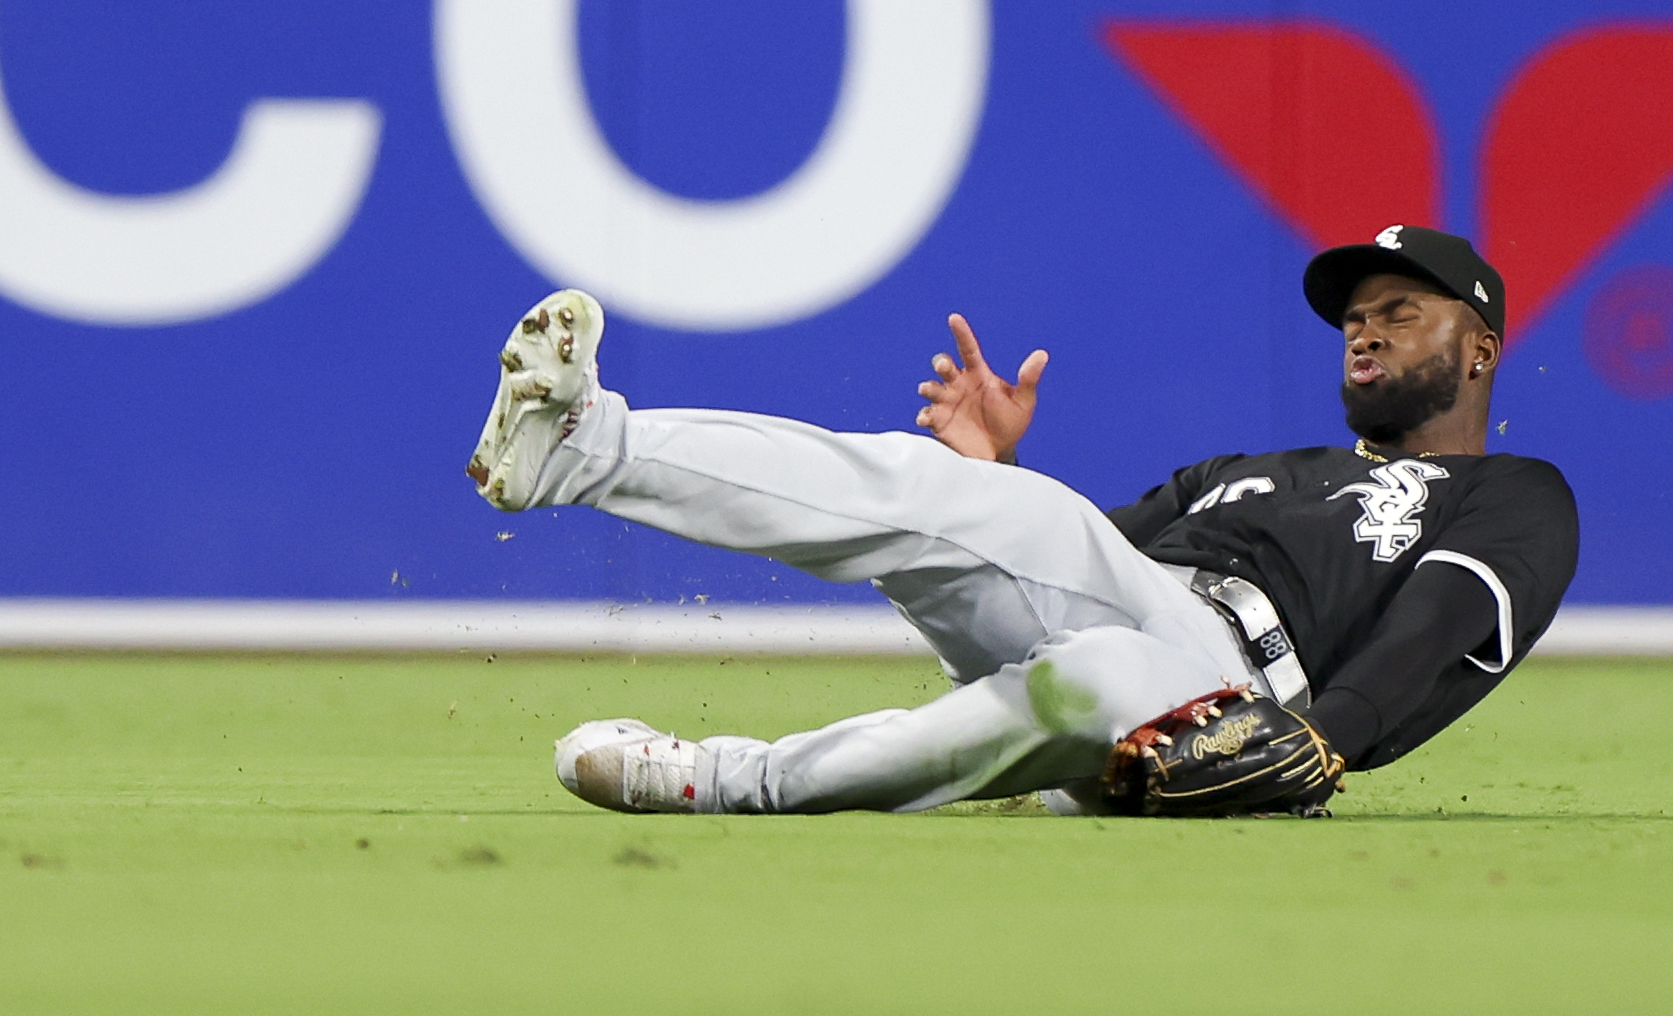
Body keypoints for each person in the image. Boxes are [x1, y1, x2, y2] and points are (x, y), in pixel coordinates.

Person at [467, 225, 1578, 815]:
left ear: (1480, 349)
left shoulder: (1514, 493)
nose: (1363, 330)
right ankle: (582, 449)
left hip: (1236, 719)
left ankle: (719, 779)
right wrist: (999, 475)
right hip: (1142, 630)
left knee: (1094, 675)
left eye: (1399, 312)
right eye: (1354, 315)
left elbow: (1440, 629)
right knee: (930, 491)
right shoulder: (1244, 470)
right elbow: (1072, 558)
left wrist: (1328, 738)